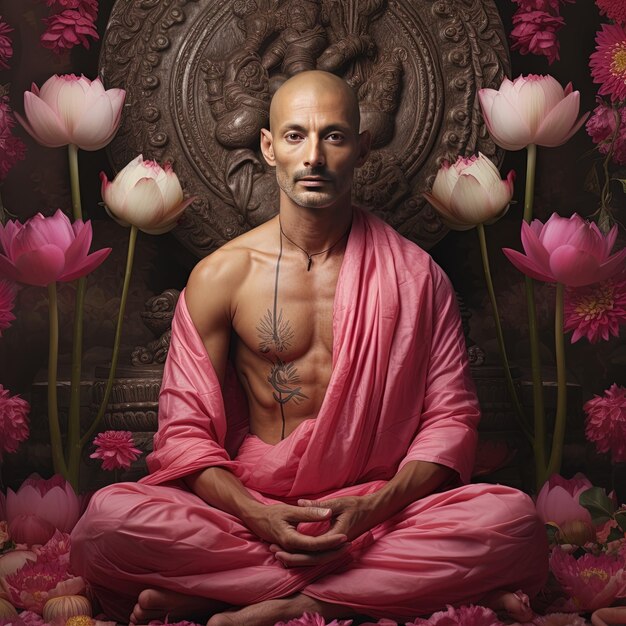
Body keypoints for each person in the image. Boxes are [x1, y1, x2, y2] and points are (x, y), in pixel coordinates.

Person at [70, 70, 548, 626]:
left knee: (511, 519)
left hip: (383, 510)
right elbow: (185, 434)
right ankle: (382, 590)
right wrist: (258, 517)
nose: (314, 156)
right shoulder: (222, 276)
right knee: (110, 521)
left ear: (363, 148)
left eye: (334, 136)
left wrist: (371, 509)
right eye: (296, 135)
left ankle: (280, 603)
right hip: (253, 511)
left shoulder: (417, 275)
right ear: (269, 147)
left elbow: (450, 421)